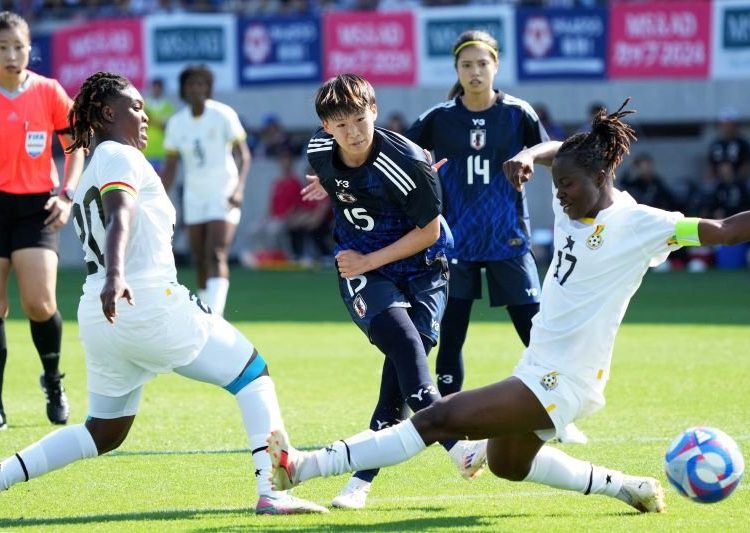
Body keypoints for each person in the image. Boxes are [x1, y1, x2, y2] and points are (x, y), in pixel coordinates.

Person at [269, 98, 750, 513]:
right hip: (540, 365)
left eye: (567, 186)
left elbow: (723, 231)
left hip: (565, 378)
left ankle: (306, 465)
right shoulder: (578, 192)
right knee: (506, 463)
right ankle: (629, 487)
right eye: (555, 184)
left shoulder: (644, 224)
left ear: (603, 177)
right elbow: (560, 152)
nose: (559, 196)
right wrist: (528, 154)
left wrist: (539, 156)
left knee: (439, 419)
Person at [0, 71, 328, 515]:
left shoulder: (92, 167)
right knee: (254, 375)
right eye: (135, 108)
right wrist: (118, 274)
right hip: (144, 299)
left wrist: (112, 280)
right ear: (107, 114)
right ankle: (273, 491)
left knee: (104, 431)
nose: (145, 117)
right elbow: (120, 214)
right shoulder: (120, 155)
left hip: (100, 314)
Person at [327, 29, 586, 511]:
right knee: (447, 340)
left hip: (507, 238)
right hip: (449, 249)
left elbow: (559, 152)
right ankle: (450, 425)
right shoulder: (437, 119)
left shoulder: (518, 113)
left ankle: (554, 413)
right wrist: (349, 181)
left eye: (482, 63)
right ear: (457, 70)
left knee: (534, 328)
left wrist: (530, 155)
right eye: (466, 64)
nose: (474, 71)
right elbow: (392, 152)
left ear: (495, 66)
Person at [299, 73, 488, 508]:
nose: (353, 132)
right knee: (406, 348)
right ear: (326, 127)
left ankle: (359, 483)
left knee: (400, 382)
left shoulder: (406, 161)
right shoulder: (318, 150)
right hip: (365, 271)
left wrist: (368, 259)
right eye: (341, 124)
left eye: (360, 120)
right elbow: (338, 176)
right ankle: (458, 448)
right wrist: (326, 185)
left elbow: (430, 231)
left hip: (424, 269)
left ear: (376, 112)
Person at [0, 11, 85, 430]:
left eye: (18, 46)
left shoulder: (49, 91)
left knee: (39, 303)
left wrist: (67, 195)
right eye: (2, 48)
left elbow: (76, 146)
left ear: (30, 48)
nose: (11, 55)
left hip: (36, 206)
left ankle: (53, 380)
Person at [161, 64, 251, 316]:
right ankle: (206, 314)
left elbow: (244, 156)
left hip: (224, 192)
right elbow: (170, 167)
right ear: (183, 89)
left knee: (216, 252)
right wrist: (157, 197)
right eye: (191, 84)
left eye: (201, 83)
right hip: (193, 197)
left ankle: (216, 318)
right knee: (199, 258)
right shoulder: (177, 124)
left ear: (208, 87)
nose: (196, 89)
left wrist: (239, 189)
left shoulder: (223, 115)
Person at [142, 78, 174, 174]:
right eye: (154, 88)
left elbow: (166, 126)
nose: (156, 90)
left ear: (162, 89)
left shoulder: (168, 106)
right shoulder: (144, 105)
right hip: (146, 150)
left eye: (158, 88)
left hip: (161, 151)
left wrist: (151, 118)